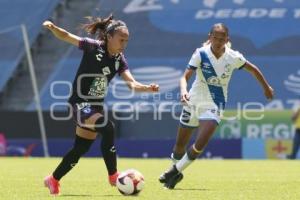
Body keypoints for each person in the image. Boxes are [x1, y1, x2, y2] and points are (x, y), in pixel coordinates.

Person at [42, 14, 159, 195]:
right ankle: (113, 175)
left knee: (81, 148)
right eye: (121, 39)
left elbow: (132, 84)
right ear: (109, 37)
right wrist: (53, 28)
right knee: (108, 127)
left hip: (94, 107)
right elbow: (67, 37)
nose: (124, 44)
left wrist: (147, 88)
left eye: (126, 41)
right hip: (79, 103)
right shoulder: (93, 47)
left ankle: (53, 179)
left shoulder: (120, 59)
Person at [159, 23, 274, 189]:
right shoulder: (201, 54)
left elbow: (253, 69)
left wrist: (266, 87)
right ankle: (175, 173)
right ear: (209, 37)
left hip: (215, 104)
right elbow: (184, 77)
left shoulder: (233, 57)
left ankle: (173, 171)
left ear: (227, 39)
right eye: (215, 38)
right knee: (179, 145)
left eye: (222, 39)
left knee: (201, 142)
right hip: (193, 102)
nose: (218, 42)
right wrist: (184, 90)